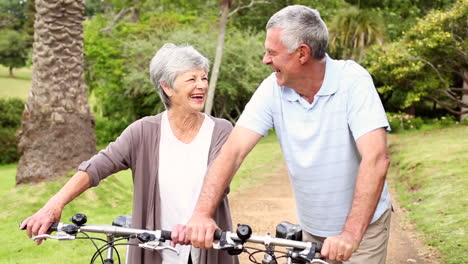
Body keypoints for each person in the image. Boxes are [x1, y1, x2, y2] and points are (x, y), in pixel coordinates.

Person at [181, 5, 392, 264]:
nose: (265, 60)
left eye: (272, 52)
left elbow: (376, 159)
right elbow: (233, 151)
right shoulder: (272, 89)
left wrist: (350, 234)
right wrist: (202, 213)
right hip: (311, 229)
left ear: (302, 53)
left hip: (363, 231)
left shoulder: (353, 82)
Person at [20, 43, 238, 264]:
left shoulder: (221, 130)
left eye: (204, 78)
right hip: (156, 251)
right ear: (167, 87)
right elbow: (97, 166)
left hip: (207, 250)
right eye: (192, 79)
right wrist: (54, 205)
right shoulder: (143, 131)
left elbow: (219, 180)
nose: (202, 85)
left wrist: (197, 220)